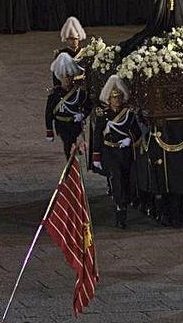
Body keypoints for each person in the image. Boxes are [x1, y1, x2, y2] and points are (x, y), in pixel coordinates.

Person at [91, 75, 141, 229]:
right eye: (114, 97)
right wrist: (96, 156)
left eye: (119, 97)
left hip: (124, 153)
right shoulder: (103, 116)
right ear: (109, 99)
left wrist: (129, 140)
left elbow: (136, 132)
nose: (117, 100)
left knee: (125, 180)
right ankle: (120, 211)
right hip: (109, 152)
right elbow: (97, 136)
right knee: (116, 179)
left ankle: (124, 202)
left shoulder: (128, 114)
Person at [45, 53, 92, 159]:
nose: (67, 80)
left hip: (75, 124)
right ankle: (70, 165)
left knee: (73, 145)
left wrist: (82, 115)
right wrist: (49, 130)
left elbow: (88, 106)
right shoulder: (55, 94)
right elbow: (49, 113)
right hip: (61, 125)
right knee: (68, 145)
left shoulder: (79, 93)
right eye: (64, 77)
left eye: (69, 76)